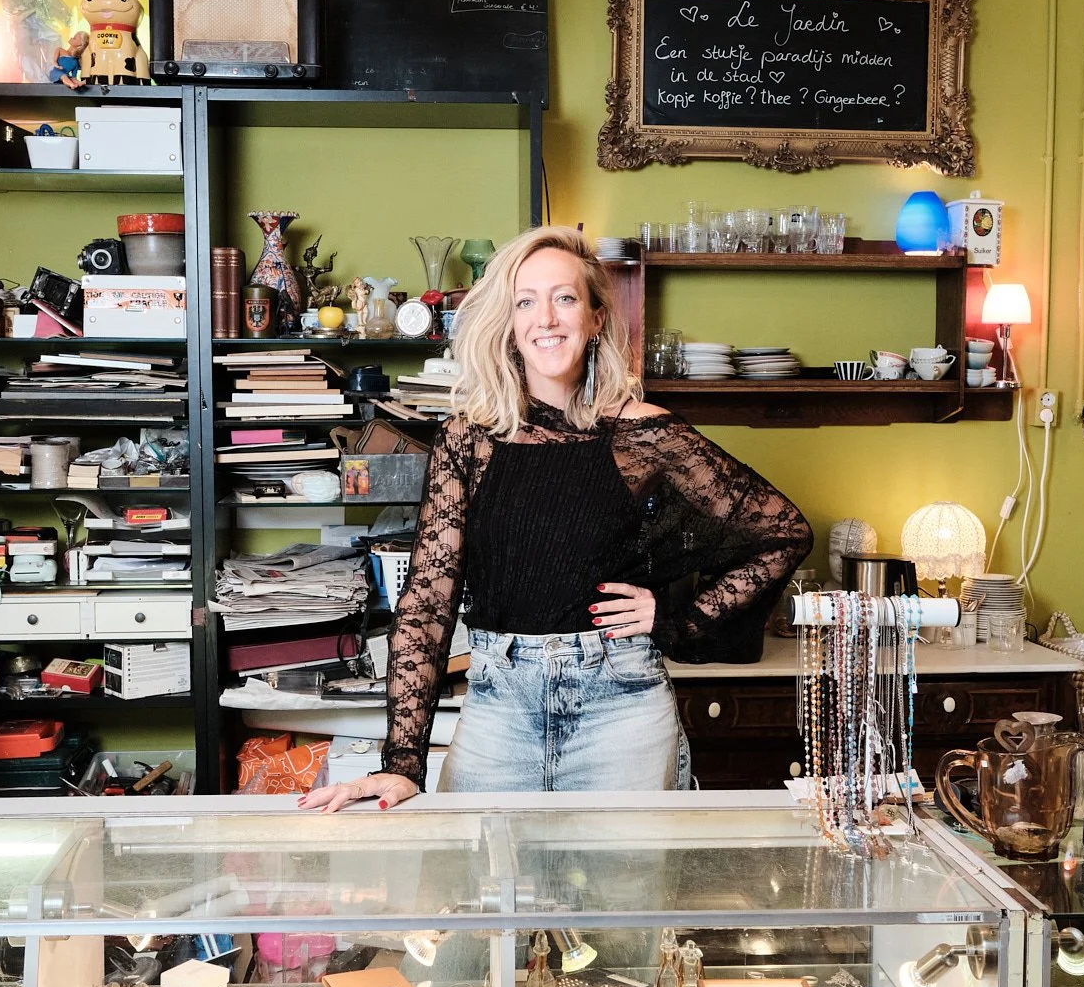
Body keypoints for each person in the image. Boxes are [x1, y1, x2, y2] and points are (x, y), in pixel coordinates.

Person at [301, 226, 810, 812]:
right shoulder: (467, 440)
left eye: (564, 298)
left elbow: (783, 532)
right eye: (526, 302)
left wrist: (676, 619)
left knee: (628, 879)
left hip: (622, 711)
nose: (545, 318)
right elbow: (428, 601)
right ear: (510, 325)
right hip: (497, 708)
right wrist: (402, 762)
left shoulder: (643, 434)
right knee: (477, 874)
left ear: (595, 318)